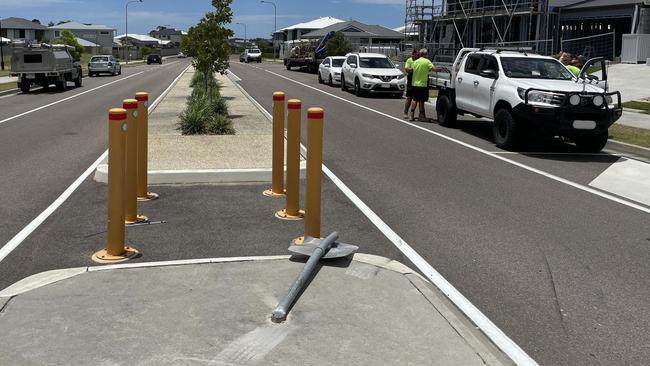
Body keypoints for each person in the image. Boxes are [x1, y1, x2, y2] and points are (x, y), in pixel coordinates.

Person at [408, 48, 436, 122]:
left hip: (414, 83)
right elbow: (433, 69)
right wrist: (439, 69)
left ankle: (411, 115)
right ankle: (421, 116)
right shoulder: (427, 61)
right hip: (423, 84)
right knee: (421, 101)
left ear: (420, 54)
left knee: (414, 99)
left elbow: (411, 70)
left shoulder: (415, 62)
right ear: (425, 54)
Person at [403, 49, 419, 119]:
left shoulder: (419, 60)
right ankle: (405, 112)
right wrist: (414, 69)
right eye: (412, 54)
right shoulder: (409, 60)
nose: (413, 55)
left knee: (416, 98)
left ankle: (412, 114)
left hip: (418, 80)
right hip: (411, 80)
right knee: (409, 97)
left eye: (414, 54)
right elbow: (406, 69)